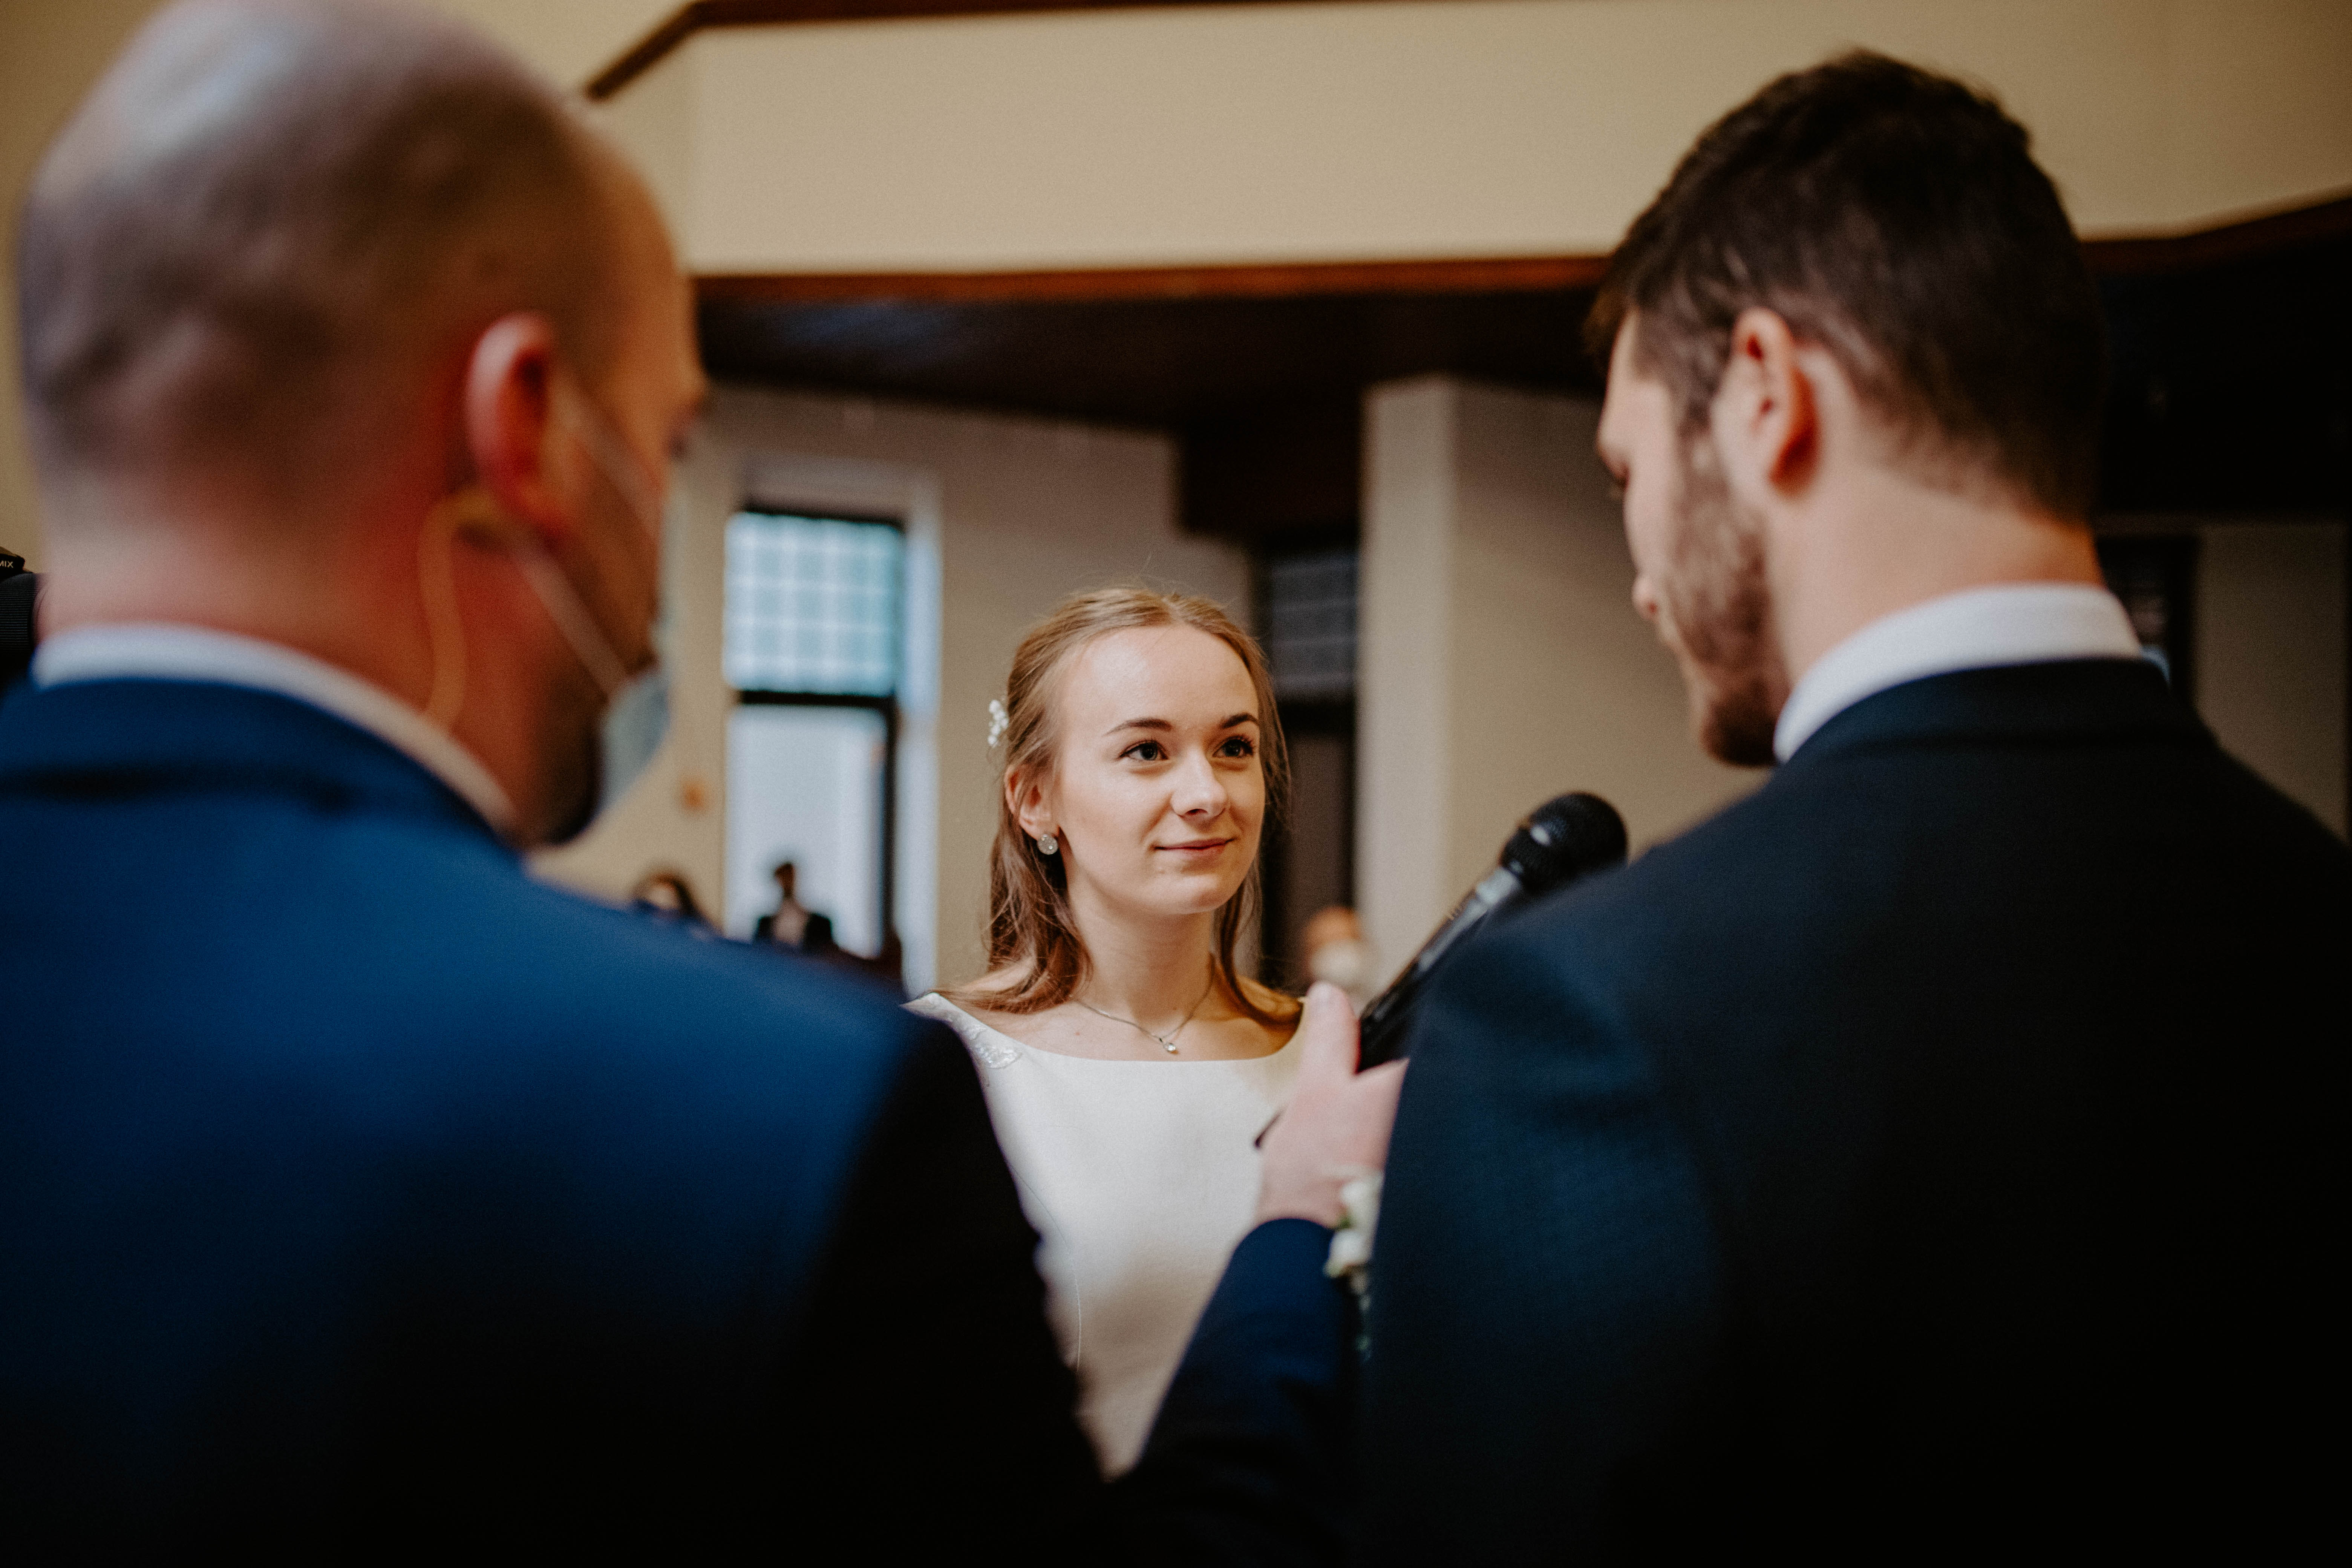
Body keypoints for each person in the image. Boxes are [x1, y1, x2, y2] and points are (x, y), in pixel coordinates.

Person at [0, 2, 1401, 1556]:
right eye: (667, 444)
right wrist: (1295, 1230)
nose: (1203, 788)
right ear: (528, 431)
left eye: (1234, 744)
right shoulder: (781, 1109)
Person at [1361, 52, 2350, 1560]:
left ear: (1768, 396)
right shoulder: (2321, 904)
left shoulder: (1583, 1020)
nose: (1641, 577)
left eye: (1629, 471)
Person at [908, 587, 1308, 1472]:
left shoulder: (1333, 1055)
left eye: (1234, 747)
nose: (1206, 793)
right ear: (1035, 799)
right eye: (1146, 751)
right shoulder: (938, 1068)